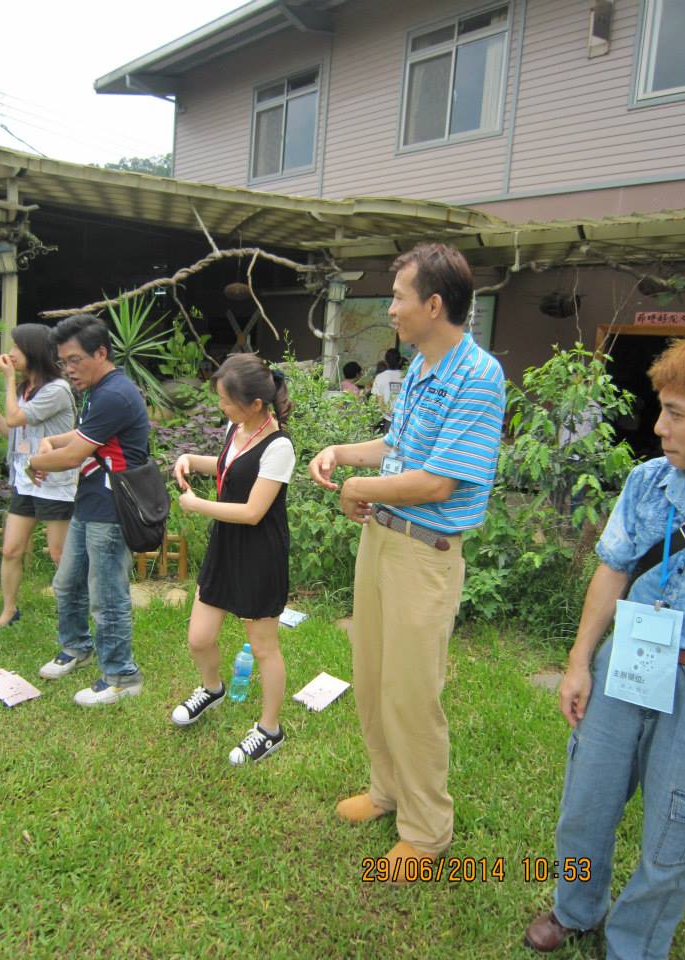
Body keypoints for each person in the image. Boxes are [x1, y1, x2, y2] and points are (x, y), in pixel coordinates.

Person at [308, 243, 505, 881]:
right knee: (372, 678)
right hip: (383, 541)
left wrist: (356, 491)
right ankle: (387, 791)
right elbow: (398, 447)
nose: (390, 308)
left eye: (397, 296)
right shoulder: (423, 366)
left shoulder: (478, 375)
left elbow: (440, 482)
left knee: (413, 694)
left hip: (426, 555)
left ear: (435, 304)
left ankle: (425, 834)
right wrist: (342, 452)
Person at [525, 335, 685, 959]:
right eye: (662, 407)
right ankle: (575, 908)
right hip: (628, 659)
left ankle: (633, 944)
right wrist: (578, 662)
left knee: (676, 831)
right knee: (587, 799)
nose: (658, 426)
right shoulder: (649, 483)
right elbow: (613, 570)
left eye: (675, 412)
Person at [171, 354, 295, 765]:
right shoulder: (237, 426)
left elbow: (252, 511)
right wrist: (192, 460)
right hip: (226, 546)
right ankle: (211, 688)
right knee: (199, 637)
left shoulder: (279, 447)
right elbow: (229, 468)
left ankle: (269, 730)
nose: (220, 407)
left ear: (255, 404)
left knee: (264, 648)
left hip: (260, 554)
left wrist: (197, 504)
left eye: (225, 401)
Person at [26, 314, 148, 706]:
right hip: (91, 501)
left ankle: (122, 675)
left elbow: (75, 454)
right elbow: (81, 437)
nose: (69, 370)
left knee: (107, 595)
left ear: (101, 352)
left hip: (112, 509)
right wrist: (49, 442)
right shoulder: (100, 389)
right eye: (63, 362)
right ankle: (76, 646)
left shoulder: (115, 393)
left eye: (75, 359)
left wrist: (36, 461)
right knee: (68, 582)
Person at [0, 324, 76, 629]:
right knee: (10, 549)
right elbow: (13, 433)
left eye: (17, 347)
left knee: (59, 554)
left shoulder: (57, 390)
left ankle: (72, 614)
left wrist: (6, 381)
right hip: (25, 480)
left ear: (33, 351)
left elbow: (17, 417)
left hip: (53, 482)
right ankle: (9, 609)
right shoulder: (24, 390)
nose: (11, 354)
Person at [370, 347, 405, 434]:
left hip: (388, 418)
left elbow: (379, 401)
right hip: (404, 419)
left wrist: (388, 413)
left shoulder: (380, 377)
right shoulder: (407, 377)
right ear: (400, 360)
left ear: (386, 361)